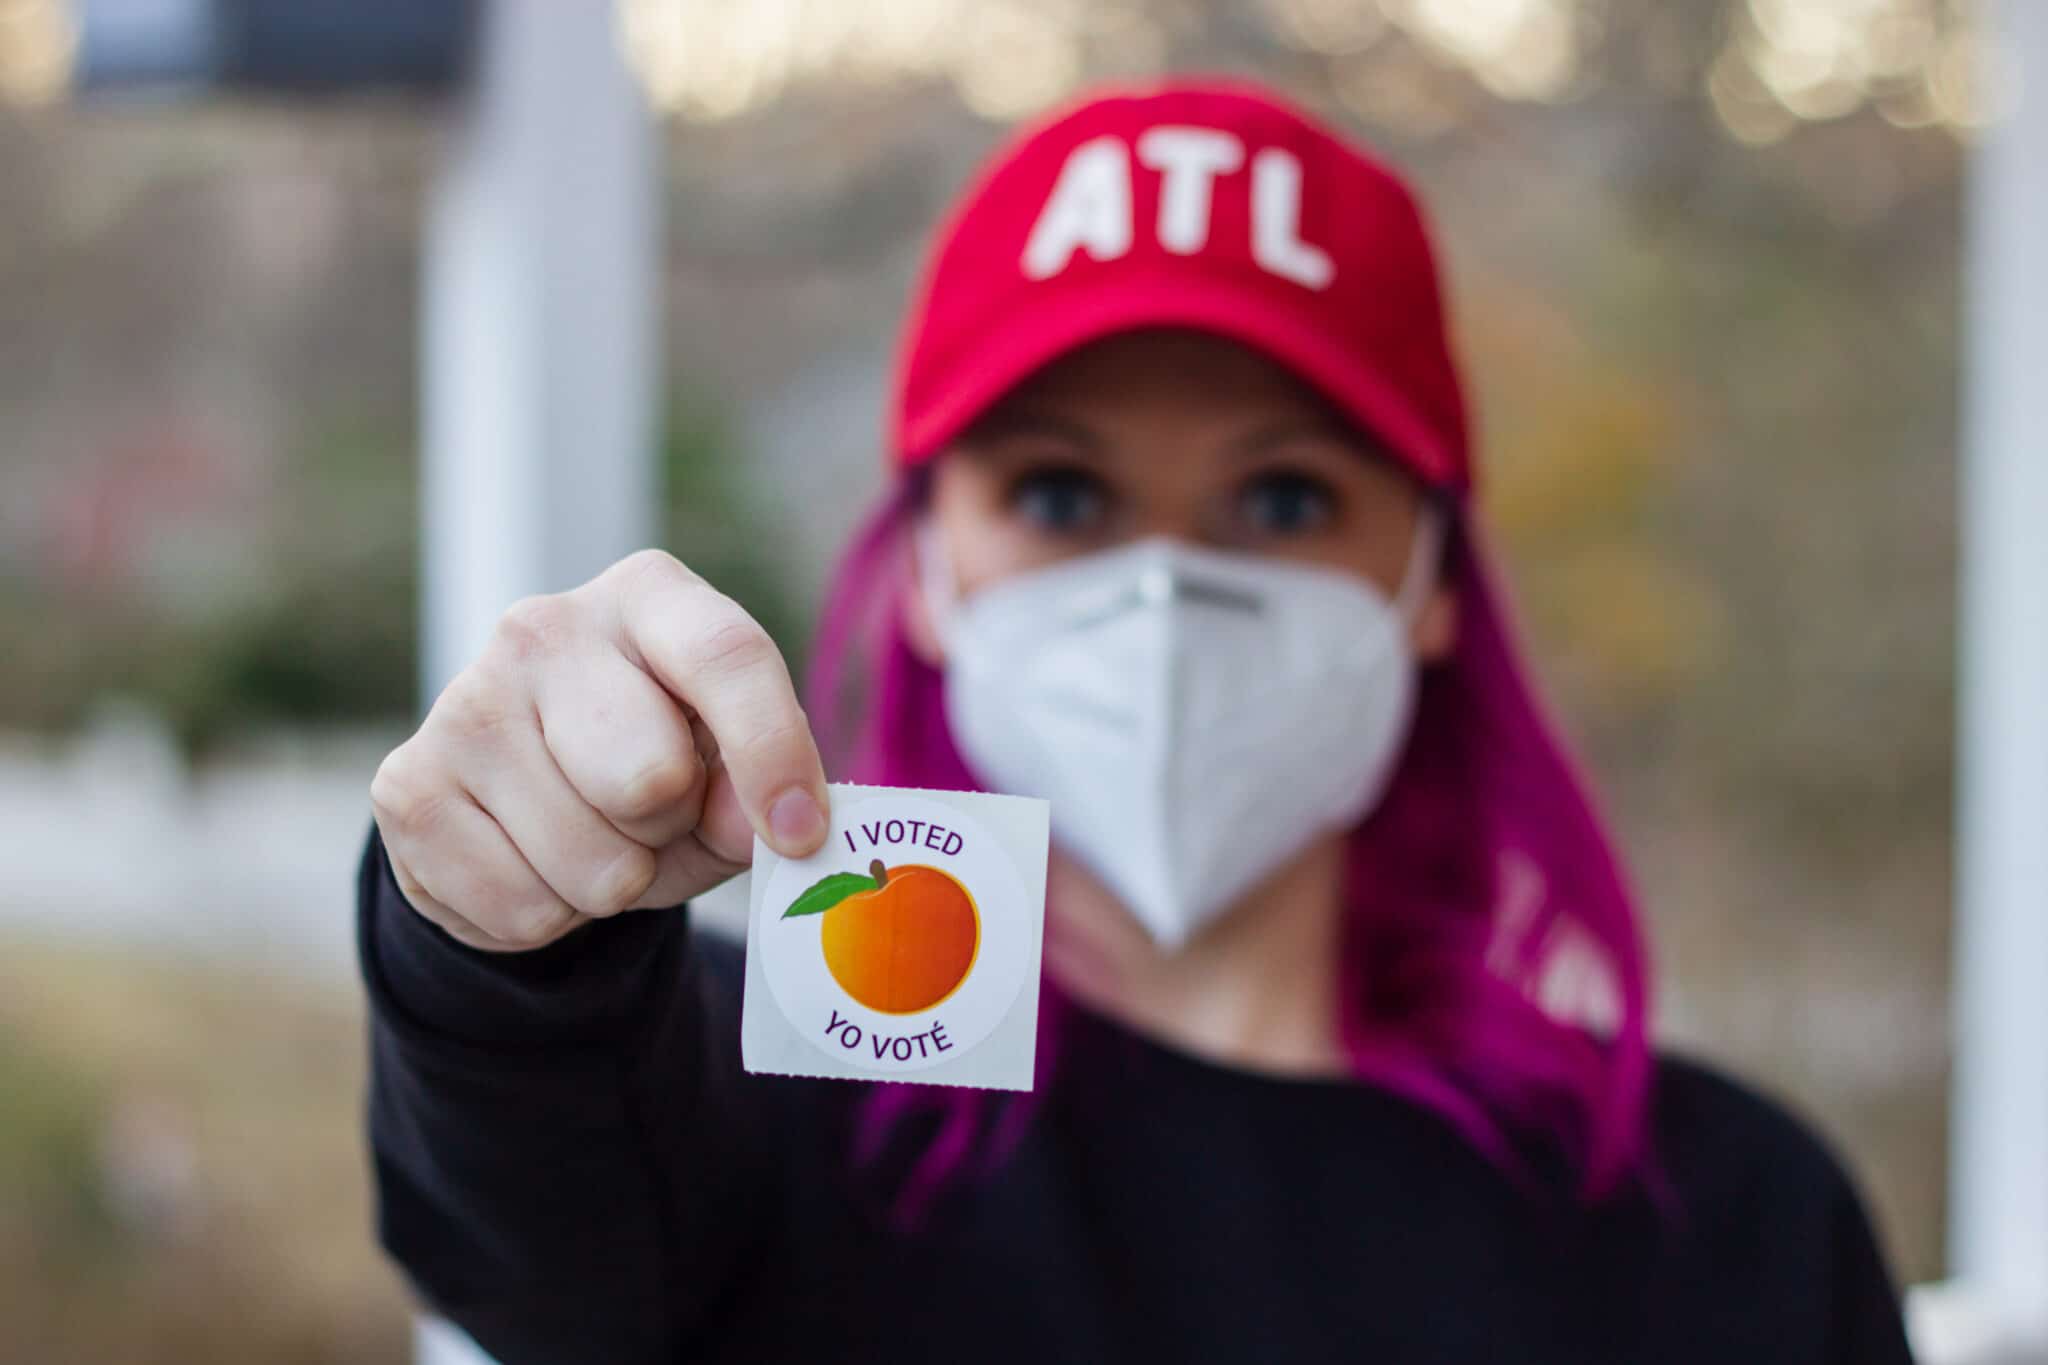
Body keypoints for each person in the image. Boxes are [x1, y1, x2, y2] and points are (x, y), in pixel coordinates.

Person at [357, 80, 1916, 1364]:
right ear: (923, 570)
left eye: (1284, 495)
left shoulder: (1728, 1222)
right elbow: (522, 1212)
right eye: (1060, 492)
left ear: (1435, 577)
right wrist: (492, 934)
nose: (1167, 587)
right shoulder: (731, 1107)